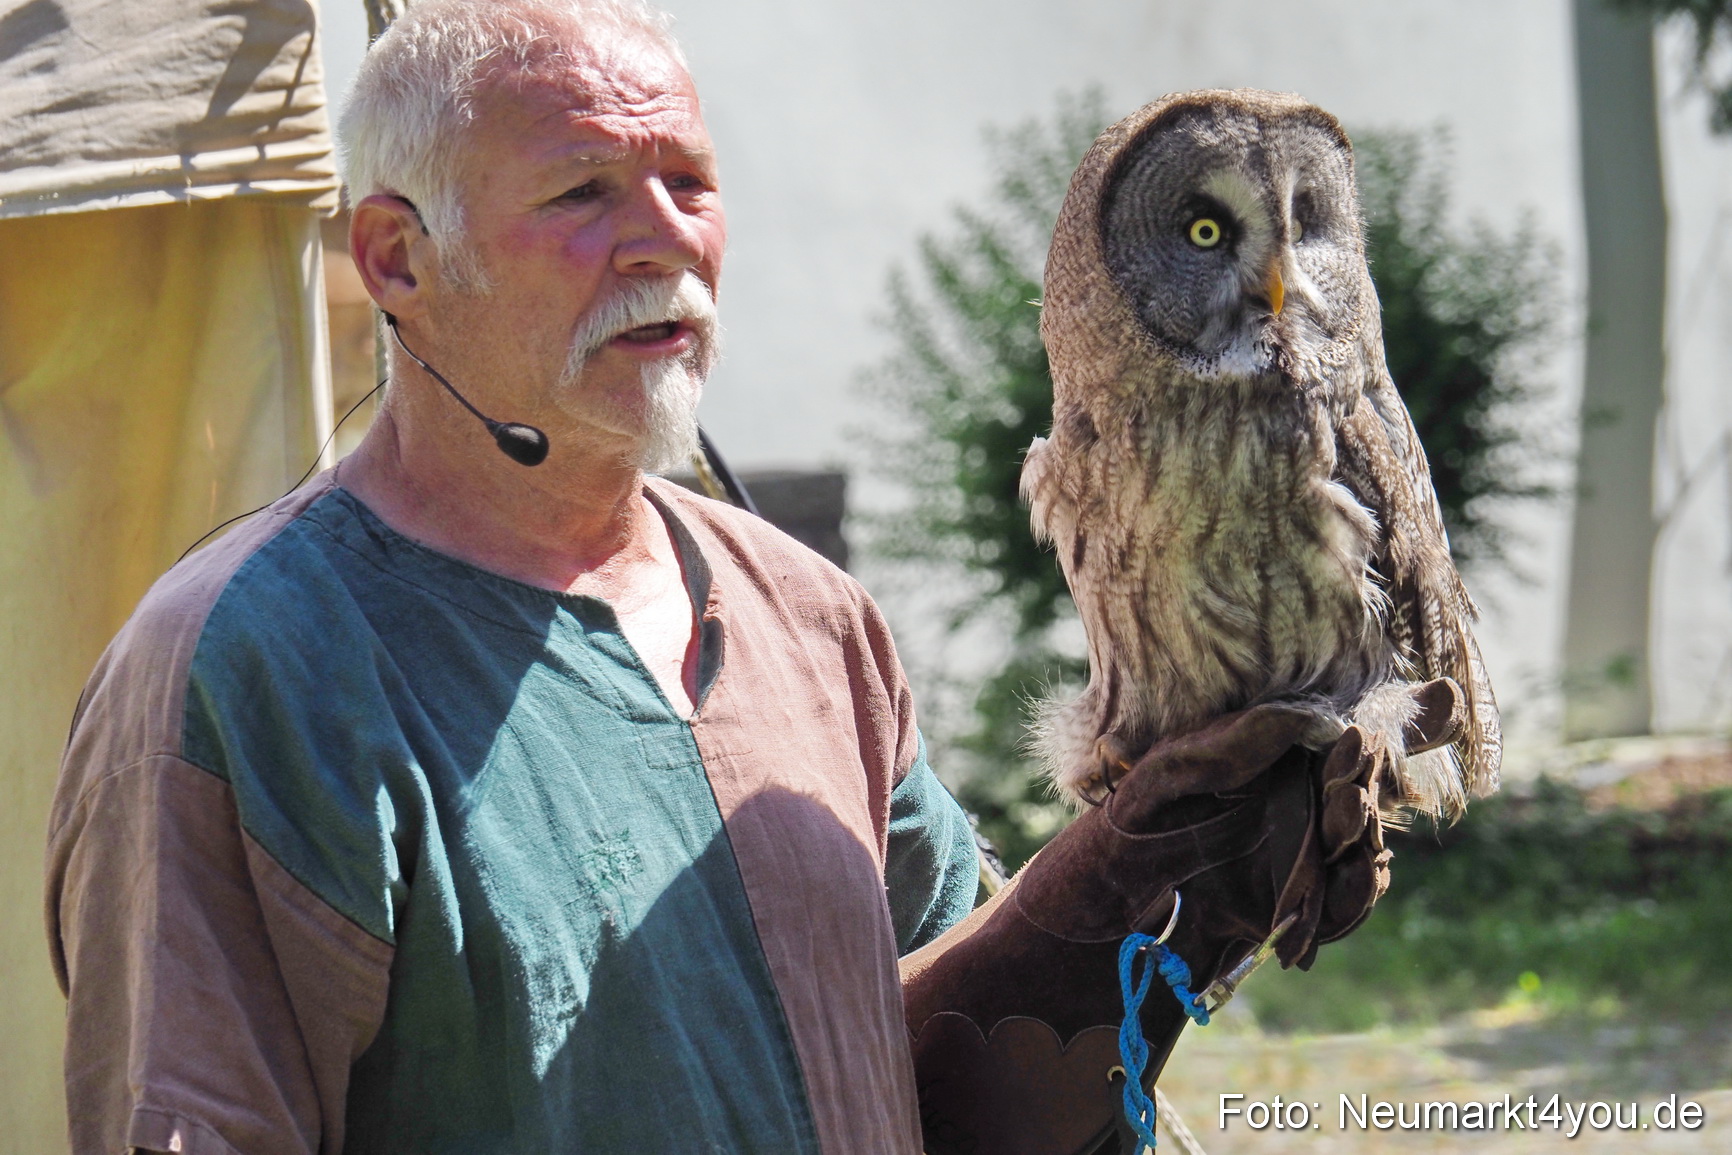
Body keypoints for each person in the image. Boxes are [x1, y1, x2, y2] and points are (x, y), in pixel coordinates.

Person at [46, 2, 1437, 1152]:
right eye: (583, 192)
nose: (664, 236)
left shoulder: (810, 621)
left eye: (691, 184)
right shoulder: (252, 669)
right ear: (397, 258)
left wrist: (1127, 895)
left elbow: (919, 1068)